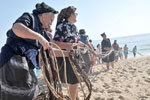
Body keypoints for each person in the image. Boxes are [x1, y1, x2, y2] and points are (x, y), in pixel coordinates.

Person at [0, 2, 59, 100]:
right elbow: (16, 28)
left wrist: (67, 53)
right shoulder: (30, 17)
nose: (51, 23)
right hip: (11, 61)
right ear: (44, 15)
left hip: (26, 65)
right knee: (11, 94)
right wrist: (38, 37)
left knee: (29, 92)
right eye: (51, 19)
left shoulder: (42, 31)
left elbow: (50, 50)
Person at [53, 6, 84, 100]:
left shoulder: (74, 27)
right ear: (70, 15)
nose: (76, 15)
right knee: (74, 80)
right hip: (64, 57)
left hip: (74, 57)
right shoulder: (62, 26)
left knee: (76, 80)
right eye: (75, 13)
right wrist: (71, 45)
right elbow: (55, 44)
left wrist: (80, 44)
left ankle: (76, 97)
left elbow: (75, 42)